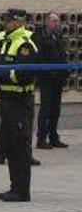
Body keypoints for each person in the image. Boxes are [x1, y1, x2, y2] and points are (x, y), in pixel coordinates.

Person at [0, 8, 39, 202]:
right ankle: (15, 187)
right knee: (12, 147)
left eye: (9, 20)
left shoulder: (25, 44)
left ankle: (22, 191)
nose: (6, 23)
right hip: (7, 100)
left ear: (19, 22)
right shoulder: (5, 40)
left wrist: (3, 74)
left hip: (20, 102)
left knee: (20, 147)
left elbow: (24, 75)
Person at [33, 12, 70, 149]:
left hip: (58, 79)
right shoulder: (39, 36)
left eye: (58, 21)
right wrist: (49, 71)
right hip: (47, 79)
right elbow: (39, 57)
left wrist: (64, 71)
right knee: (46, 109)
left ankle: (53, 137)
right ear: (47, 21)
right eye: (54, 21)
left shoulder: (58, 35)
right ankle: (41, 139)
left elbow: (62, 54)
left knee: (56, 109)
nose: (57, 24)